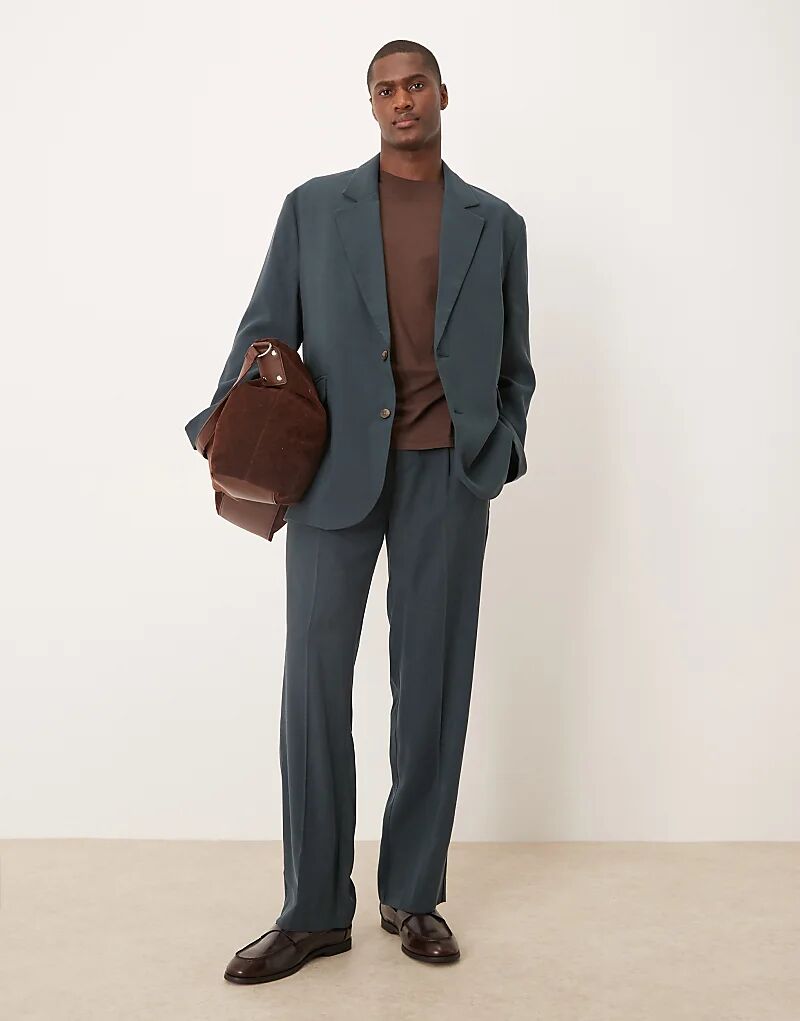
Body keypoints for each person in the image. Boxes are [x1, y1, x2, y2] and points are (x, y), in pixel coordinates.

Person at [185, 38, 536, 983]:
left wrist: (499, 446)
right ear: (370, 105)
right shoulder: (313, 208)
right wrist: (225, 426)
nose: (401, 100)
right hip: (333, 473)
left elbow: (516, 366)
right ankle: (312, 912)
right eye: (384, 89)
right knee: (312, 685)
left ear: (442, 93)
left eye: (415, 84)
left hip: (447, 476)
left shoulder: (496, 223)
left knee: (431, 688)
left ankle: (412, 895)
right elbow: (266, 331)